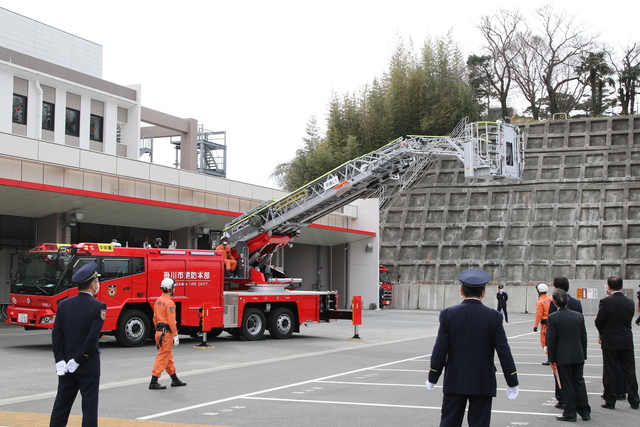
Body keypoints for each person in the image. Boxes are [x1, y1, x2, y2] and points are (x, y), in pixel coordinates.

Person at [426, 269, 519, 427]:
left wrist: (433, 376)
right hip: (483, 379)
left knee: (449, 422)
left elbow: (440, 348)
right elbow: (504, 351)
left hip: (455, 379)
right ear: (483, 293)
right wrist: (512, 380)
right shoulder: (494, 316)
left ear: (461, 291)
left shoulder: (448, 314)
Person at [50, 263, 106, 427]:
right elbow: (92, 337)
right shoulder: (98, 306)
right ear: (92, 284)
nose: (98, 284)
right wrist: (79, 359)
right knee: (89, 408)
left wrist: (60, 359)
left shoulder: (64, 304)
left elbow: (57, 335)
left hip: (66, 364)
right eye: (97, 281)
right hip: (87, 365)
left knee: (61, 406)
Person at [594, 276, 640, 410]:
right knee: (629, 370)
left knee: (610, 370)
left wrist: (603, 332)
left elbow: (599, 321)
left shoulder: (605, 301)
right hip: (626, 338)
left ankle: (610, 400)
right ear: (622, 286)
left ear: (608, 287)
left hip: (610, 340)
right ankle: (634, 399)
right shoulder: (630, 302)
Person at [547, 289, 591, 421]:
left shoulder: (553, 317)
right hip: (578, 353)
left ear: (554, 302)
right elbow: (584, 337)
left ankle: (570, 413)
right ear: (568, 300)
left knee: (567, 385)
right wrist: (583, 353)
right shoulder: (578, 316)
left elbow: (552, 340)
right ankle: (585, 411)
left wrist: (551, 359)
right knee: (579, 382)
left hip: (563, 356)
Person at [547, 276, 582, 409]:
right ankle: (578, 402)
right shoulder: (576, 303)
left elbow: (552, 329)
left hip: (561, 346)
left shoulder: (553, 303)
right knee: (578, 378)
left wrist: (550, 353)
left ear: (555, 288)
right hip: (576, 344)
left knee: (561, 376)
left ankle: (562, 399)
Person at [149, 278, 187, 390]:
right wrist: (175, 335)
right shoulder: (170, 303)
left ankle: (174, 379)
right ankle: (154, 381)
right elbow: (171, 321)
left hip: (159, 332)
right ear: (170, 288)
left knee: (167, 357)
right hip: (166, 334)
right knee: (163, 357)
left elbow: (155, 318)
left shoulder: (158, 300)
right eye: (173, 287)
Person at [533, 283, 552, 365]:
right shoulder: (551, 299)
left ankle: (549, 358)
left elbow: (538, 315)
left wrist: (535, 326)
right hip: (553, 322)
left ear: (539, 292)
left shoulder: (540, 302)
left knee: (544, 341)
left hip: (545, 323)